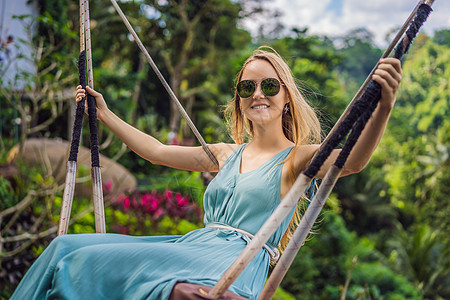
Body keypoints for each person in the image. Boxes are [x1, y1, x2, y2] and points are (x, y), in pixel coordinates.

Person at [11, 47, 402, 299]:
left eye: (269, 85)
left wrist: (382, 107)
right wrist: (104, 114)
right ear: (239, 99)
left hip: (235, 263)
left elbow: (351, 161)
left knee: (126, 276)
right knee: (64, 248)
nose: (257, 94)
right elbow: (157, 152)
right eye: (247, 87)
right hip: (193, 247)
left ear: (286, 98)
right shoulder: (224, 154)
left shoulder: (297, 159)